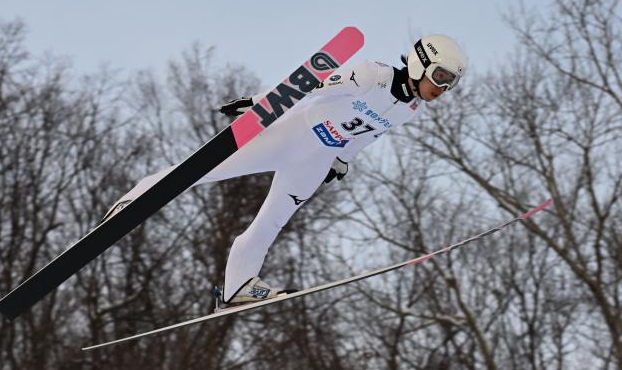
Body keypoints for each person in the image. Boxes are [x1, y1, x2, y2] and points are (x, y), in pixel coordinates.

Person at [103, 34, 468, 306]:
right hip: (289, 134)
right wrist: (260, 102)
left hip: (315, 159)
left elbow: (369, 134)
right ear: (421, 61)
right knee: (205, 169)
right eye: (440, 75)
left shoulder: (410, 110)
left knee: (273, 220)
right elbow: (313, 85)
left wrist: (343, 160)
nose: (442, 87)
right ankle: (137, 199)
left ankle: (238, 286)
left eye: (450, 82)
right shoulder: (373, 74)